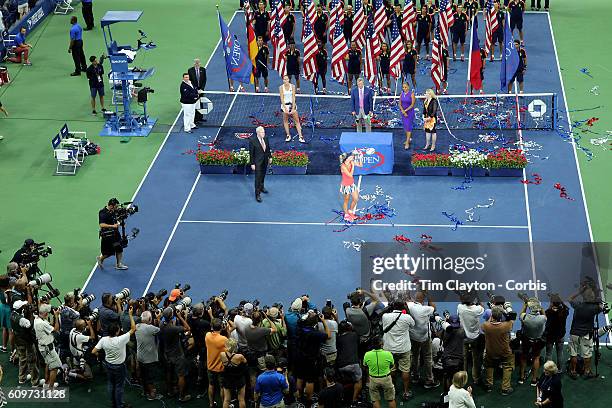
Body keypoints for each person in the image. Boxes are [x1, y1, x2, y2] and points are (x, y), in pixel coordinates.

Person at [92, 307, 136, 408]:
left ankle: (113, 403)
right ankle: (119, 405)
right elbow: (133, 329)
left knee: (111, 384)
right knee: (119, 387)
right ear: (116, 332)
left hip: (109, 365)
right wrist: (130, 315)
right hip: (119, 367)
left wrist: (99, 355)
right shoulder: (121, 339)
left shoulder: (103, 340)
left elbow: (94, 351)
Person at [382, 301, 416, 400]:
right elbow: (413, 325)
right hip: (404, 348)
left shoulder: (385, 316)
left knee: (392, 370)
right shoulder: (407, 317)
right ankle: (405, 392)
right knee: (405, 370)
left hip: (389, 349)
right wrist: (407, 311)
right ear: (403, 308)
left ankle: (393, 390)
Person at [567, 285, 602, 380]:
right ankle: (587, 371)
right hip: (586, 334)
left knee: (573, 353)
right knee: (587, 354)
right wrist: (597, 293)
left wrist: (579, 292)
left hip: (574, 333)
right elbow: (601, 306)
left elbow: (569, 298)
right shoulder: (594, 308)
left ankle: (573, 371)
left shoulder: (577, 305)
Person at [408, 291, 439, 388]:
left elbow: (411, 301)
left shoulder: (410, 306)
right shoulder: (425, 309)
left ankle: (415, 376)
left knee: (415, 356)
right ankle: (429, 379)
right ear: (423, 299)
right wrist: (429, 296)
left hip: (413, 337)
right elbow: (434, 307)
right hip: (425, 337)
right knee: (427, 358)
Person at [482, 307, 515, 395]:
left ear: (492, 316)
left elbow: (487, 323)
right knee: (508, 366)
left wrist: (492, 316)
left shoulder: (485, 325)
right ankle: (505, 388)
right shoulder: (506, 325)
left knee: (489, 365)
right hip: (504, 352)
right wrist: (506, 312)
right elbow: (512, 319)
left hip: (491, 352)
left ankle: (489, 385)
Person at [457, 293, 484, 385]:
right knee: (475, 359)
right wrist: (477, 296)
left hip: (464, 337)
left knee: (463, 358)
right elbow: (482, 306)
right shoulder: (477, 309)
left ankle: (462, 378)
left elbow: (462, 300)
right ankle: (476, 378)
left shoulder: (460, 307)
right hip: (475, 337)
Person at [518, 298, 546, 386]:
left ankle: (521, 377)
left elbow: (521, 313)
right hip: (537, 341)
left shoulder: (524, 317)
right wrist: (539, 306)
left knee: (523, 357)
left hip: (526, 340)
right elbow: (543, 313)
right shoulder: (542, 318)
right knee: (536, 358)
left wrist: (525, 305)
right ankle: (534, 379)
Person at [11, 300, 39, 386]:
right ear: (20, 308)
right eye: (23, 306)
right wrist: (31, 314)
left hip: (18, 341)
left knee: (22, 359)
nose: (24, 307)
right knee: (32, 361)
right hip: (27, 342)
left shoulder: (12, 314)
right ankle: (35, 382)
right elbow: (29, 325)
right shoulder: (22, 319)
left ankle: (21, 378)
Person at [34, 304, 61, 389]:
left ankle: (46, 383)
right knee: (55, 367)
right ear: (45, 314)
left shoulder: (37, 319)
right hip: (48, 348)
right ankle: (51, 389)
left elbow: (50, 326)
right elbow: (56, 329)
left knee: (48, 364)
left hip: (43, 347)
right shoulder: (42, 323)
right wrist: (56, 316)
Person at [135, 310, 161, 400]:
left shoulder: (136, 326)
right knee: (150, 378)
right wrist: (158, 319)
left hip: (140, 357)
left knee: (143, 376)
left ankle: (145, 391)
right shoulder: (150, 328)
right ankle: (152, 394)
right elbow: (161, 330)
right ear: (150, 319)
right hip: (149, 358)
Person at [363, 337, 396, 408]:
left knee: (375, 400)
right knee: (391, 399)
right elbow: (392, 365)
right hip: (386, 378)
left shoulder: (367, 354)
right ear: (381, 344)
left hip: (373, 379)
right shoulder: (388, 354)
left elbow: (365, 366)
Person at [97, 198, 128, 270]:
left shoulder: (114, 211)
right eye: (115, 206)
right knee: (108, 253)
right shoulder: (102, 212)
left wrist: (119, 222)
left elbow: (117, 219)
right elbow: (101, 224)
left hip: (115, 234)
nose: (116, 208)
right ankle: (101, 259)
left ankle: (119, 264)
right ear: (111, 206)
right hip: (107, 235)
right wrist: (113, 226)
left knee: (119, 248)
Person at [336, 320, 362, 403]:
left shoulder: (338, 339)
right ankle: (354, 399)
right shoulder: (354, 335)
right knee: (359, 380)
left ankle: (340, 398)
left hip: (341, 366)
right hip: (353, 365)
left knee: (341, 381)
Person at [205, 318, 229, 408]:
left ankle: (211, 404)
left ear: (212, 327)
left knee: (211, 385)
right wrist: (227, 331)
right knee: (222, 387)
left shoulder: (207, 335)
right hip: (221, 368)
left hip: (210, 366)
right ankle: (224, 404)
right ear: (221, 327)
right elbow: (231, 347)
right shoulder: (223, 339)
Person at [220, 338, 248, 408]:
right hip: (238, 378)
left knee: (226, 400)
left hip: (227, 378)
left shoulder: (222, 354)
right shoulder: (239, 356)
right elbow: (245, 362)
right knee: (241, 399)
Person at [544, 294, 569, 368]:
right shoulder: (564, 311)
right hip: (560, 335)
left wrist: (551, 304)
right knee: (560, 353)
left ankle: (548, 369)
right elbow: (565, 307)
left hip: (550, 336)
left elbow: (547, 312)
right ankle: (559, 369)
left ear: (552, 303)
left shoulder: (548, 312)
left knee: (548, 354)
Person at [279, 74, 305, 143]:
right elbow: (282, 99)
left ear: (289, 79)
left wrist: (293, 108)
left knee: (297, 121)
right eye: (284, 79)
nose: (286, 80)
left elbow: (293, 97)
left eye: (287, 79)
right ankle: (288, 135)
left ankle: (300, 136)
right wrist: (285, 109)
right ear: (283, 80)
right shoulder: (281, 88)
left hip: (292, 105)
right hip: (285, 107)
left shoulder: (293, 86)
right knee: (285, 121)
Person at [249, 126, 272, 203]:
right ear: (258, 133)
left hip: (265, 161)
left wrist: (270, 157)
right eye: (262, 132)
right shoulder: (252, 141)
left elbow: (268, 148)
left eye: (264, 132)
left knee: (263, 175)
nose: (264, 133)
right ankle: (257, 194)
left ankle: (262, 187)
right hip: (257, 163)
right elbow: (251, 153)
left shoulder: (266, 138)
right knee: (258, 178)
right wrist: (252, 163)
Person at [339, 152, 362, 221]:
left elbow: (361, 165)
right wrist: (353, 166)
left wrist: (360, 158)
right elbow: (350, 175)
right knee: (346, 201)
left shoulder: (351, 162)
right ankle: (346, 215)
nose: (353, 157)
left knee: (356, 198)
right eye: (351, 156)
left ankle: (350, 211)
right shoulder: (343, 166)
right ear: (347, 158)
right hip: (346, 186)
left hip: (352, 184)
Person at [188, 58, 207, 122]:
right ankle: (195, 118)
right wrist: (195, 89)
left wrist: (202, 89)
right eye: (196, 62)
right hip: (194, 90)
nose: (197, 64)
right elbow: (190, 81)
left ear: (200, 63)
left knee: (200, 103)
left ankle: (200, 117)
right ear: (194, 63)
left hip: (201, 90)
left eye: (198, 62)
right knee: (195, 104)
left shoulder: (203, 70)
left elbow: (204, 80)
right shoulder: (190, 70)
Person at [399, 82, 416, 150]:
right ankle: (408, 139)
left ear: (408, 87)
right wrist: (403, 111)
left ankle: (407, 142)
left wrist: (405, 111)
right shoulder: (401, 94)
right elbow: (399, 104)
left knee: (408, 127)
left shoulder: (412, 94)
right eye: (403, 87)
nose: (404, 88)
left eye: (405, 87)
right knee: (405, 127)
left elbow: (412, 105)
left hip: (410, 113)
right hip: (403, 113)